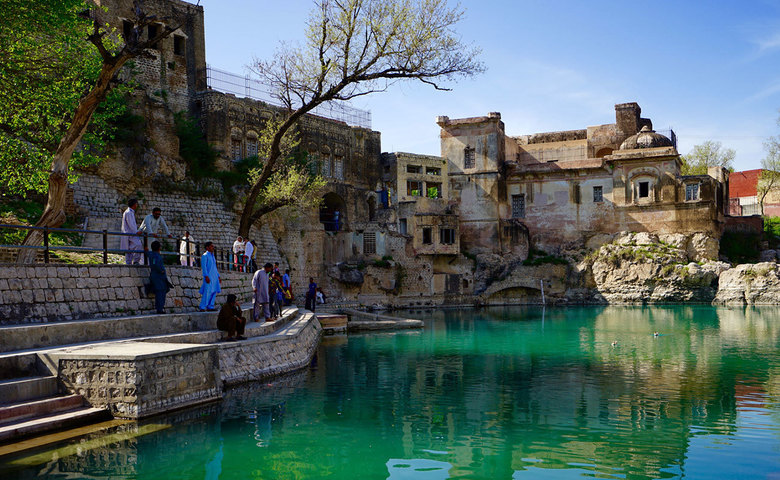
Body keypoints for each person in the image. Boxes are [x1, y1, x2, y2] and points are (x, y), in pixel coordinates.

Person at [148, 241, 170, 314]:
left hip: (156, 276)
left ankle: (159, 308)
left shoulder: (151, 254)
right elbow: (155, 264)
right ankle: (160, 309)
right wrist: (161, 271)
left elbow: (147, 253)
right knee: (160, 292)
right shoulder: (156, 256)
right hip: (159, 277)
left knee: (159, 292)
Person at [199, 242, 221, 311]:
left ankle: (210, 306)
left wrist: (218, 276)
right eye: (211, 246)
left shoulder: (213, 256)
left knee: (214, 291)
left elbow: (214, 267)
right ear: (207, 247)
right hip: (209, 277)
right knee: (207, 291)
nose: (213, 248)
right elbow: (204, 267)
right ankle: (202, 307)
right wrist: (206, 276)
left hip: (215, 277)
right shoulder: (205, 256)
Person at [121, 198, 143, 265]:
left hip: (130, 233)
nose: (137, 205)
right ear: (134, 204)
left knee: (129, 249)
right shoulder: (129, 212)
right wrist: (137, 232)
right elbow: (131, 224)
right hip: (131, 233)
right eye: (136, 204)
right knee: (138, 245)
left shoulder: (130, 212)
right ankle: (135, 261)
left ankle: (129, 263)